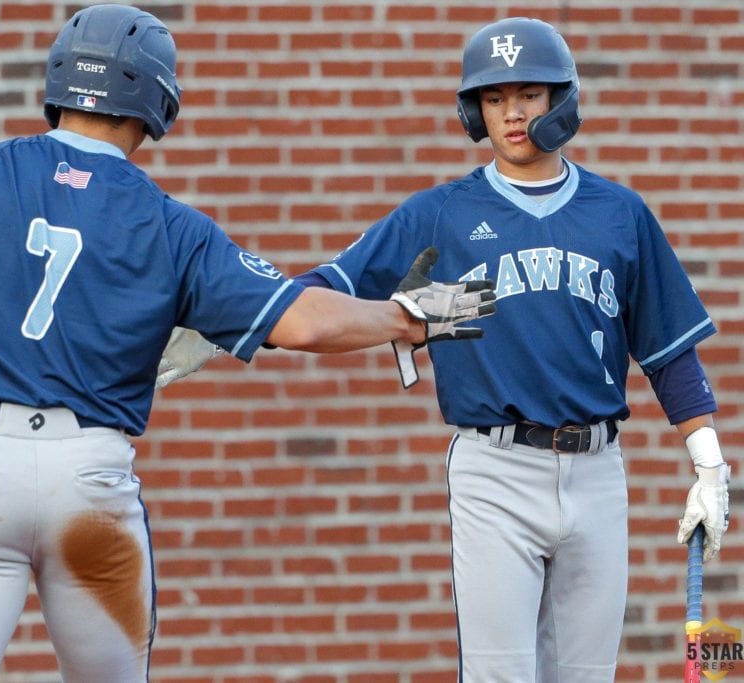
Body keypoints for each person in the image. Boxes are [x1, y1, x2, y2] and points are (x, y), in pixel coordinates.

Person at [0, 5, 496, 683]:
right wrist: (408, 318)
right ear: (155, 103)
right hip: (88, 479)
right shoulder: (171, 223)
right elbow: (305, 322)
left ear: (60, 81)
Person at [159, 16, 730, 682]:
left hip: (599, 469)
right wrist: (233, 320)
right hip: (495, 468)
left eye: (528, 94)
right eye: (494, 98)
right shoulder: (442, 213)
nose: (512, 113)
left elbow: (667, 349)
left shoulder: (619, 213)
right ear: (474, 110)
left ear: (561, 100)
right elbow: (335, 282)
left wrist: (709, 463)